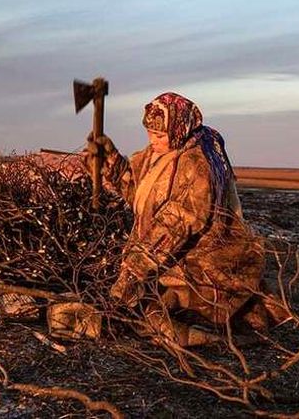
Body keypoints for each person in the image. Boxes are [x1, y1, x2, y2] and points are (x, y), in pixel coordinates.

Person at [85, 92, 286, 347]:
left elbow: (174, 226)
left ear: (179, 129)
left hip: (198, 265)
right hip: (162, 258)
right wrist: (109, 159)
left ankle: (217, 334)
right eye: (149, 133)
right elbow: (141, 195)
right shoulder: (156, 155)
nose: (152, 140)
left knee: (169, 318)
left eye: (159, 135)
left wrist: (133, 272)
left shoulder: (197, 164)